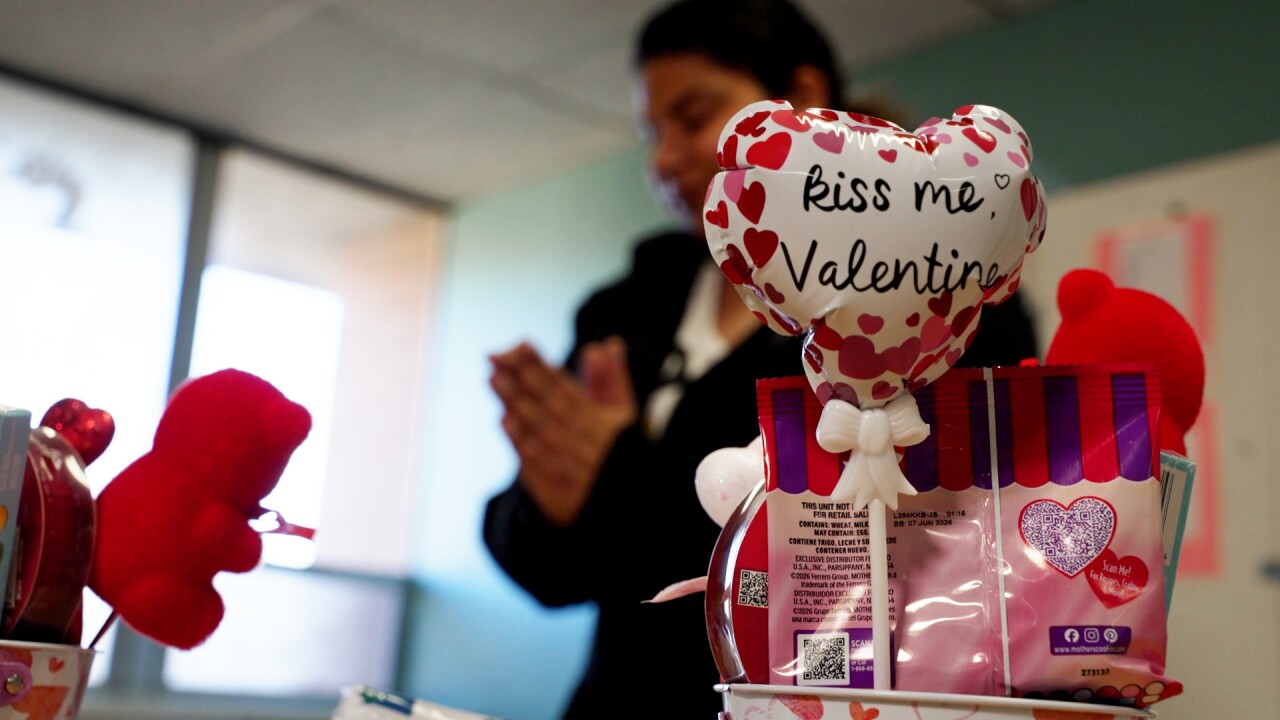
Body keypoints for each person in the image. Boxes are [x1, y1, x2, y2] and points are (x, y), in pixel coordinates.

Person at [482, 1, 1038, 716]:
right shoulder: (623, 312)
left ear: (802, 97)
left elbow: (921, 546)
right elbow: (547, 567)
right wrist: (551, 509)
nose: (662, 158)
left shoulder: (942, 293)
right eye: (653, 130)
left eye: (693, 116)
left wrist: (617, 484)